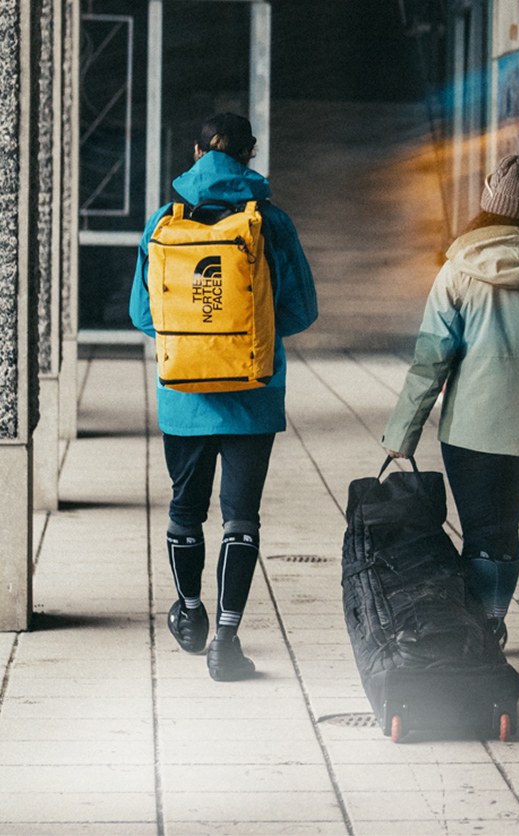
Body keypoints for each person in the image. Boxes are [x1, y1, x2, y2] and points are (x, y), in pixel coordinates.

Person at [381, 154, 519, 647]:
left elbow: (430, 361)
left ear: (487, 207)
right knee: (501, 531)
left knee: (479, 531)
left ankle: (480, 632)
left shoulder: (457, 272)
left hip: (467, 431)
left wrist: (402, 433)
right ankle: (488, 622)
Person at [130, 112, 317, 680]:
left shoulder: (166, 220)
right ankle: (226, 642)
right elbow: (302, 312)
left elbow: (143, 313)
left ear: (193, 151)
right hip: (253, 396)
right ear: (250, 155)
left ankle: (189, 614)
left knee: (186, 510)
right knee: (241, 519)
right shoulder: (272, 222)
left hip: (184, 398)